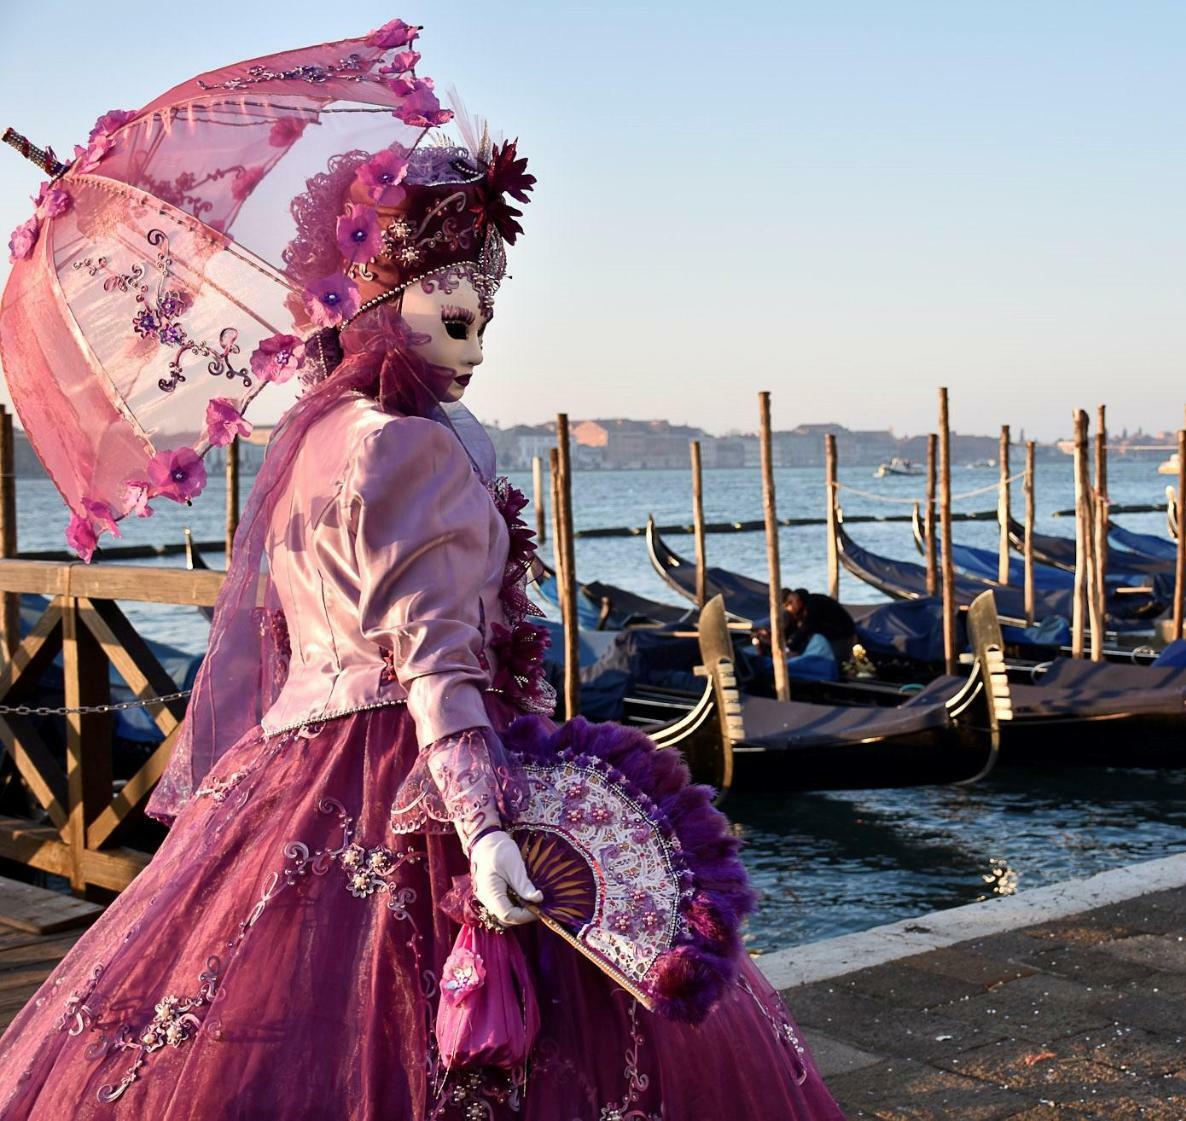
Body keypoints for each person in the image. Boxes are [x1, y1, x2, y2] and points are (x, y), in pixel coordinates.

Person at [0, 31, 845, 1121]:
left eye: (487, 317)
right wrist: (487, 829)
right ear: (385, 300)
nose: (479, 346)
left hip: (290, 776)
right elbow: (437, 656)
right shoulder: (414, 442)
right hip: (424, 774)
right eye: (457, 314)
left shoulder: (313, 437)